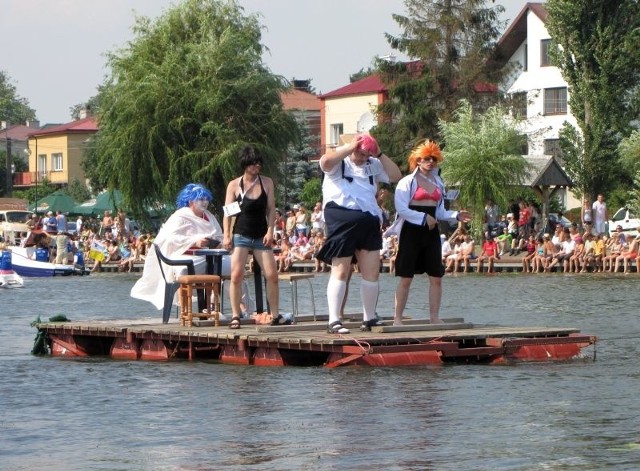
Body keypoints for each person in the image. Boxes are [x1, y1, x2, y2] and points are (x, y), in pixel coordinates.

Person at [316, 134, 401, 334]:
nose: (364, 158)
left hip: (369, 219)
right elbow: (325, 162)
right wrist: (350, 147)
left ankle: (369, 317)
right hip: (341, 218)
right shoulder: (340, 162)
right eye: (361, 154)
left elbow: (396, 175)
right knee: (341, 270)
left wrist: (378, 153)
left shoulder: (373, 164)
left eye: (367, 155)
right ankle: (334, 320)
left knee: (371, 271)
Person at [391, 139, 470, 326]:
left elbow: (440, 211)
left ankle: (434, 317)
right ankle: (397, 319)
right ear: (418, 160)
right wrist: (422, 218)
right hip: (411, 230)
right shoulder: (407, 182)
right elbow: (401, 209)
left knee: (436, 276)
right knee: (406, 277)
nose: (431, 162)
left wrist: (456, 215)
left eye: (434, 158)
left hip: (431, 231)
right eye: (426, 158)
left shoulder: (438, 182)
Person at [131, 183, 224, 312]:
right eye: (201, 199)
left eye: (206, 199)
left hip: (210, 256)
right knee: (184, 270)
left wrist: (219, 242)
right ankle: (186, 310)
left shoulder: (210, 216)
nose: (205, 202)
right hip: (185, 257)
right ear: (190, 200)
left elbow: (219, 235)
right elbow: (170, 239)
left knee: (236, 269)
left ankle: (237, 309)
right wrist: (194, 242)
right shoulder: (180, 216)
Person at [223, 145, 283, 329]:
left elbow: (271, 209)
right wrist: (226, 235)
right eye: (253, 164)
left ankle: (275, 315)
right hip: (241, 233)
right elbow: (228, 213)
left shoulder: (266, 183)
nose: (256, 167)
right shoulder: (235, 185)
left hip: (260, 234)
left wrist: (270, 231)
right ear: (245, 165)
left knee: (272, 275)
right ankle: (235, 315)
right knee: (236, 275)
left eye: (258, 164)